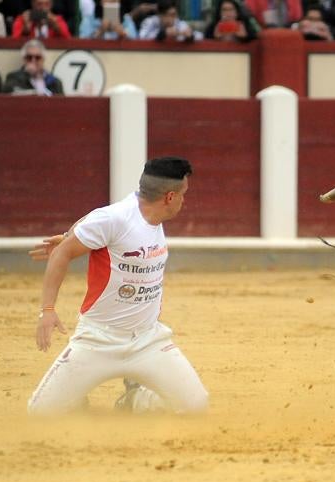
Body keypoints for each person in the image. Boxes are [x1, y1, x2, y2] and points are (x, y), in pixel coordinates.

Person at [27, 157, 209, 416]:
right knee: (41, 413)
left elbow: (96, 220)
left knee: (195, 407)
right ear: (169, 197)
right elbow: (61, 254)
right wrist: (47, 309)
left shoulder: (141, 214)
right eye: (183, 195)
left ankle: (133, 400)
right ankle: (75, 399)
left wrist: (72, 234)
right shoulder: (117, 218)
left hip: (148, 340)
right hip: (98, 339)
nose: (184, 200)